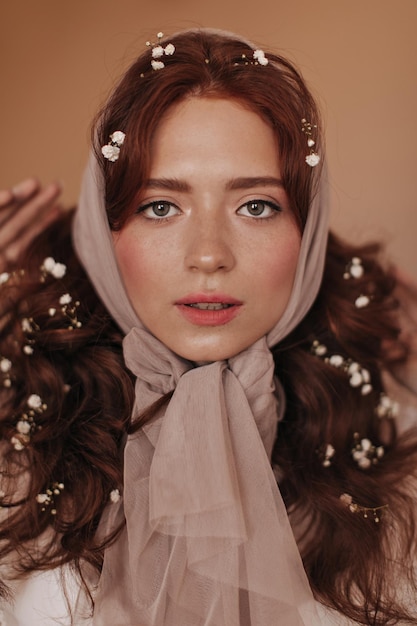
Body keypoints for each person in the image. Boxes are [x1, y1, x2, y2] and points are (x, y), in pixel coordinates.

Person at [1, 28, 417, 626]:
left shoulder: (389, 445)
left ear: (308, 231)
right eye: (160, 206)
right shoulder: (17, 446)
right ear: (102, 230)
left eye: (256, 206)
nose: (208, 255)